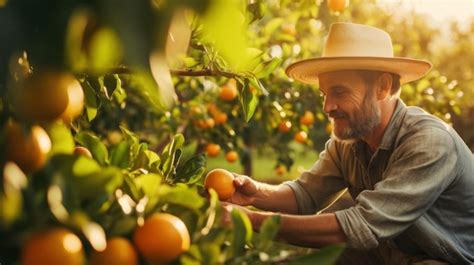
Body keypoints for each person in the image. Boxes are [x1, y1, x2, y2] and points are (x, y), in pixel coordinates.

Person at [223, 22, 474, 264]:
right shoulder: (349, 140)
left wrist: (252, 221)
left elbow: (362, 225)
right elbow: (305, 194)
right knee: (332, 256)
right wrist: (254, 192)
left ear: (382, 87)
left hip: (446, 259)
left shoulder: (429, 142)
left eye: (339, 92)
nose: (327, 107)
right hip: (393, 253)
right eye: (324, 94)